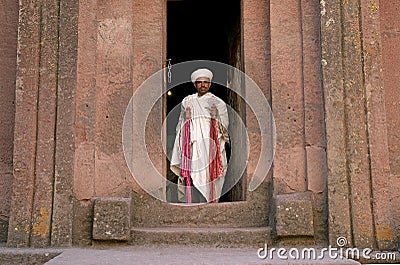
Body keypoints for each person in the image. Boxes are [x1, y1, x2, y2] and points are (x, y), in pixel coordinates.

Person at [170, 68, 229, 203]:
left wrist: (216, 117)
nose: (203, 85)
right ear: (195, 84)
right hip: (192, 141)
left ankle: (211, 200)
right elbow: (180, 124)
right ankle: (194, 201)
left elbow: (225, 125)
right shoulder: (187, 101)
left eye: (205, 82)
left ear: (210, 84)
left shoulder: (217, 102)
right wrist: (187, 119)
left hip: (211, 142)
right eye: (199, 82)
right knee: (192, 171)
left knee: (210, 172)